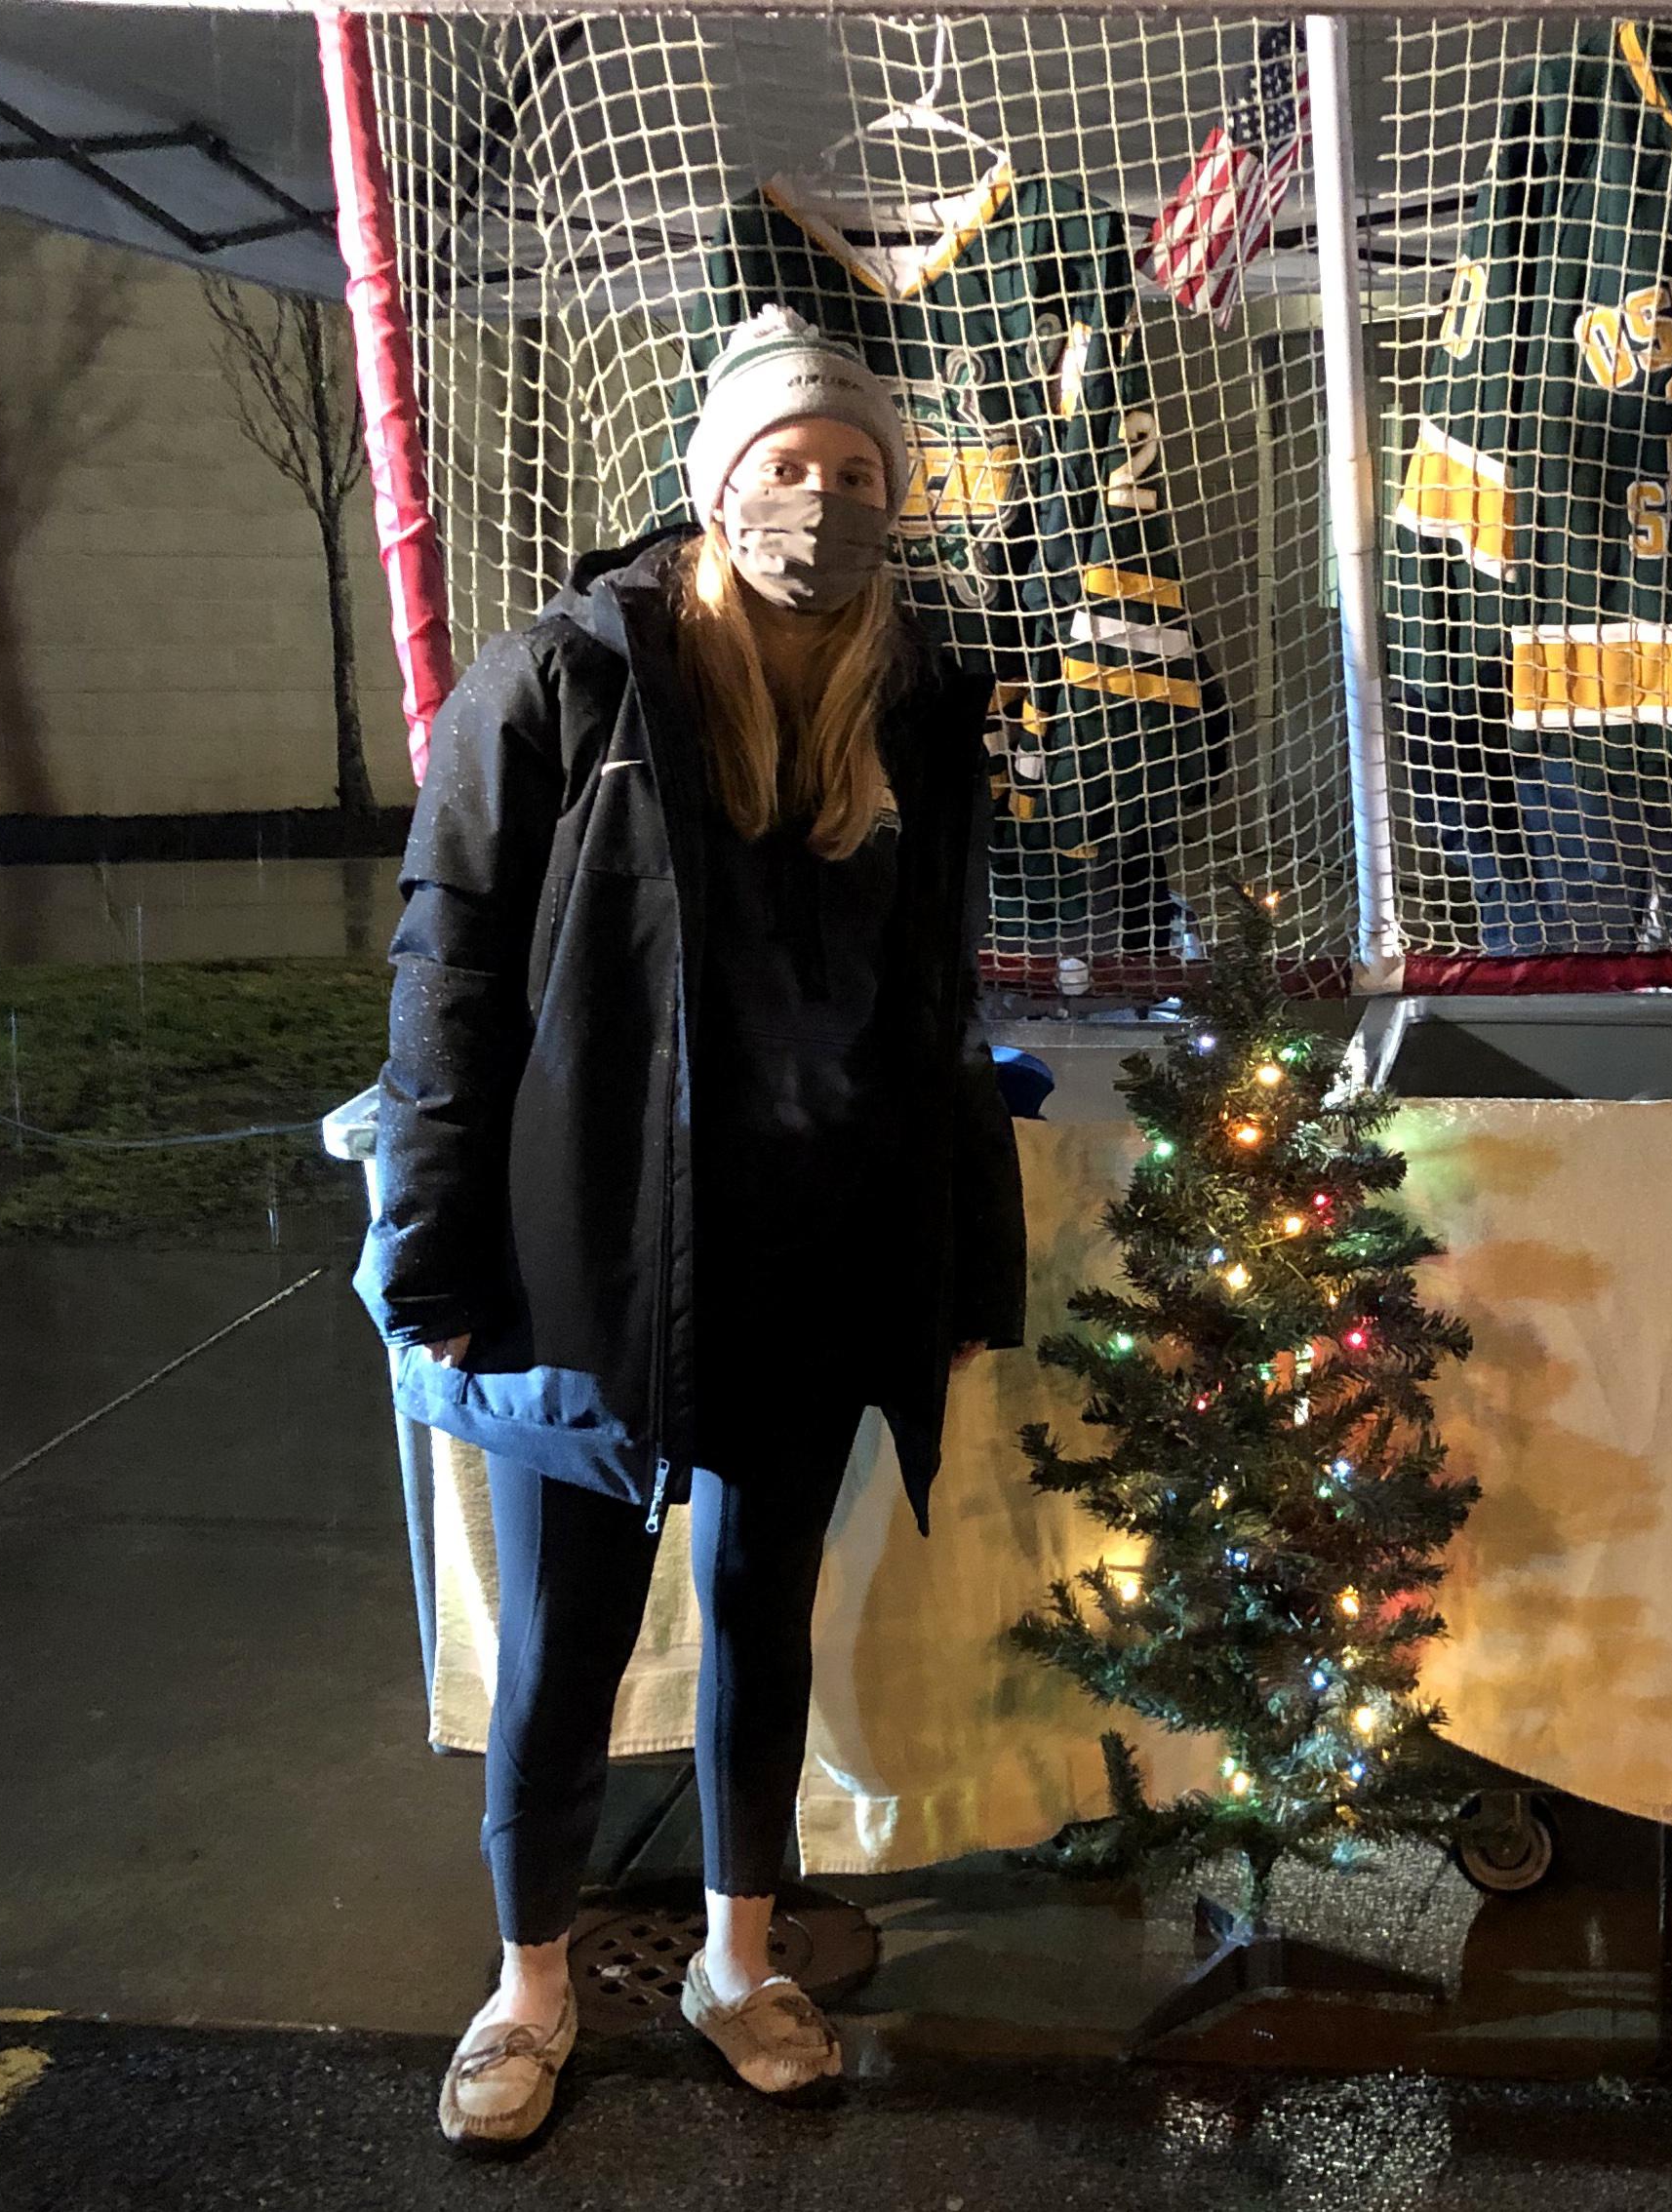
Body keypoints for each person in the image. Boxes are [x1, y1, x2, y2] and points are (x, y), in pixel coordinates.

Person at [357, 307, 1026, 2151]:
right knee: (567, 1636)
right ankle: (531, 1983)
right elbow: (449, 986)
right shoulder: (562, 683)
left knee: (761, 1612)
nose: (820, 500)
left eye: (856, 474)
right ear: (709, 480)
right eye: (785, 466)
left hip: (817, 1251)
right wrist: (433, 1268)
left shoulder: (911, 696)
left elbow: (937, 999)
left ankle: (742, 1958)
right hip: (597, 1254)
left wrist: (964, 1256)